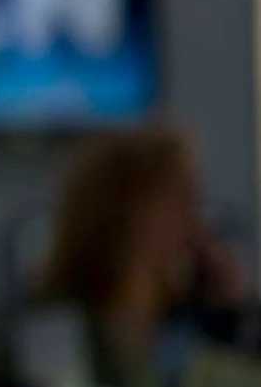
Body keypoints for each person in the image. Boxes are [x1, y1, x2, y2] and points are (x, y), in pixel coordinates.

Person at [27, 128, 261, 387]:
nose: (195, 222)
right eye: (181, 199)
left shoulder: (191, 328)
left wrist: (235, 312)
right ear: (128, 212)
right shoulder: (53, 332)